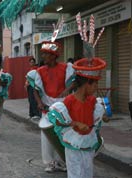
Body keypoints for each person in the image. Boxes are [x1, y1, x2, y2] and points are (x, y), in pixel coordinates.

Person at [47, 13, 108, 178]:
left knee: (88, 172)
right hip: (73, 142)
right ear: (85, 83)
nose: (96, 87)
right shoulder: (68, 101)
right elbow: (56, 118)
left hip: (88, 144)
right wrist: (75, 123)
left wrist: (104, 115)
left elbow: (100, 117)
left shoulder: (93, 101)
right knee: (75, 173)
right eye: (94, 84)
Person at [33, 40, 75, 173]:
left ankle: (64, 161)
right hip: (47, 106)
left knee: (64, 134)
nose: (43, 57)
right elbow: (35, 89)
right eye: (43, 54)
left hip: (63, 106)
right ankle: (50, 162)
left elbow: (75, 81)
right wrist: (39, 102)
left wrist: (68, 89)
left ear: (53, 55)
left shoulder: (66, 67)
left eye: (45, 54)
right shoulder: (39, 71)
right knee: (46, 136)